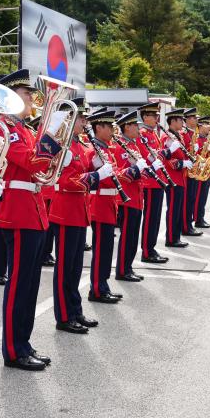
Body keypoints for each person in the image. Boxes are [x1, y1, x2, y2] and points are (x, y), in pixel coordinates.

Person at [0, 68, 67, 371]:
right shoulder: (6, 130)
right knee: (19, 285)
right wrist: (51, 134)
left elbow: (42, 166)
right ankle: (14, 350)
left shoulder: (22, 129)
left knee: (31, 284)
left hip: (33, 210)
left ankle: (23, 343)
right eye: (27, 94)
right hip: (18, 212)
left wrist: (54, 140)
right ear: (11, 97)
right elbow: (31, 161)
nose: (32, 99)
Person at [48, 98, 102, 334]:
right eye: (81, 118)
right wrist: (94, 177)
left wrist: (97, 167)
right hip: (64, 212)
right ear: (69, 120)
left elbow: (85, 173)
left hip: (79, 212)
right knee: (65, 268)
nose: (85, 122)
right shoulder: (61, 146)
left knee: (76, 267)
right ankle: (63, 316)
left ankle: (75, 310)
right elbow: (65, 182)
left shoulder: (80, 145)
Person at [87, 108, 143, 303]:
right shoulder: (95, 151)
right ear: (98, 128)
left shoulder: (105, 150)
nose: (113, 130)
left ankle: (103, 286)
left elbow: (115, 173)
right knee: (101, 251)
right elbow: (112, 177)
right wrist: (133, 170)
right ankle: (97, 289)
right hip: (100, 204)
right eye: (109, 126)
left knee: (107, 249)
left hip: (109, 204)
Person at [114, 110, 151, 282]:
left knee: (134, 236)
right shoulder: (120, 146)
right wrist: (136, 170)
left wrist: (148, 170)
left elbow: (140, 172)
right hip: (127, 198)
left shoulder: (133, 145)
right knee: (127, 236)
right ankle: (122, 270)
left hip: (137, 197)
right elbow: (121, 174)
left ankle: (128, 267)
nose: (138, 128)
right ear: (127, 127)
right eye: (135, 125)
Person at [138, 102, 171, 263]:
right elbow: (146, 157)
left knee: (156, 217)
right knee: (151, 217)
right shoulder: (143, 134)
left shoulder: (154, 133)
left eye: (157, 115)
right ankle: (147, 251)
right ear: (145, 117)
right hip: (150, 181)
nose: (157, 118)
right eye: (154, 115)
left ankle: (151, 248)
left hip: (158, 181)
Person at [162, 108, 194, 247]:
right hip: (172, 178)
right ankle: (171, 238)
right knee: (173, 209)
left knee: (178, 209)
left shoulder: (177, 136)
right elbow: (166, 159)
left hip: (180, 177)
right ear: (173, 121)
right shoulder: (167, 137)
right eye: (180, 120)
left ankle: (176, 237)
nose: (182, 122)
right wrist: (182, 163)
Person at [182, 108, 203, 237]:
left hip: (193, 170)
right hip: (186, 172)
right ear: (188, 119)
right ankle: (186, 226)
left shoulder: (193, 133)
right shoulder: (184, 133)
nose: (196, 120)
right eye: (194, 118)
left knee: (191, 199)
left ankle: (189, 225)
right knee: (187, 200)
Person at [193, 117, 210, 229]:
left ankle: (201, 217)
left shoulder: (207, 139)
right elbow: (196, 155)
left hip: (207, 172)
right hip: (200, 172)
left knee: (203, 197)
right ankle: (197, 219)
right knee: (198, 197)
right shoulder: (197, 139)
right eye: (207, 125)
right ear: (201, 126)